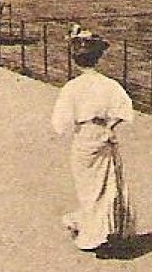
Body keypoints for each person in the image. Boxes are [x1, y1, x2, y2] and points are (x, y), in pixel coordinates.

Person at [50, 28, 135, 253]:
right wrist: (109, 126)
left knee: (88, 189)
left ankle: (94, 234)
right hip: (103, 136)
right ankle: (106, 230)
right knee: (107, 186)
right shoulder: (109, 85)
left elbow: (60, 123)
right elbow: (124, 109)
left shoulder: (72, 88)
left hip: (84, 138)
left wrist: (75, 126)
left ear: (76, 61)